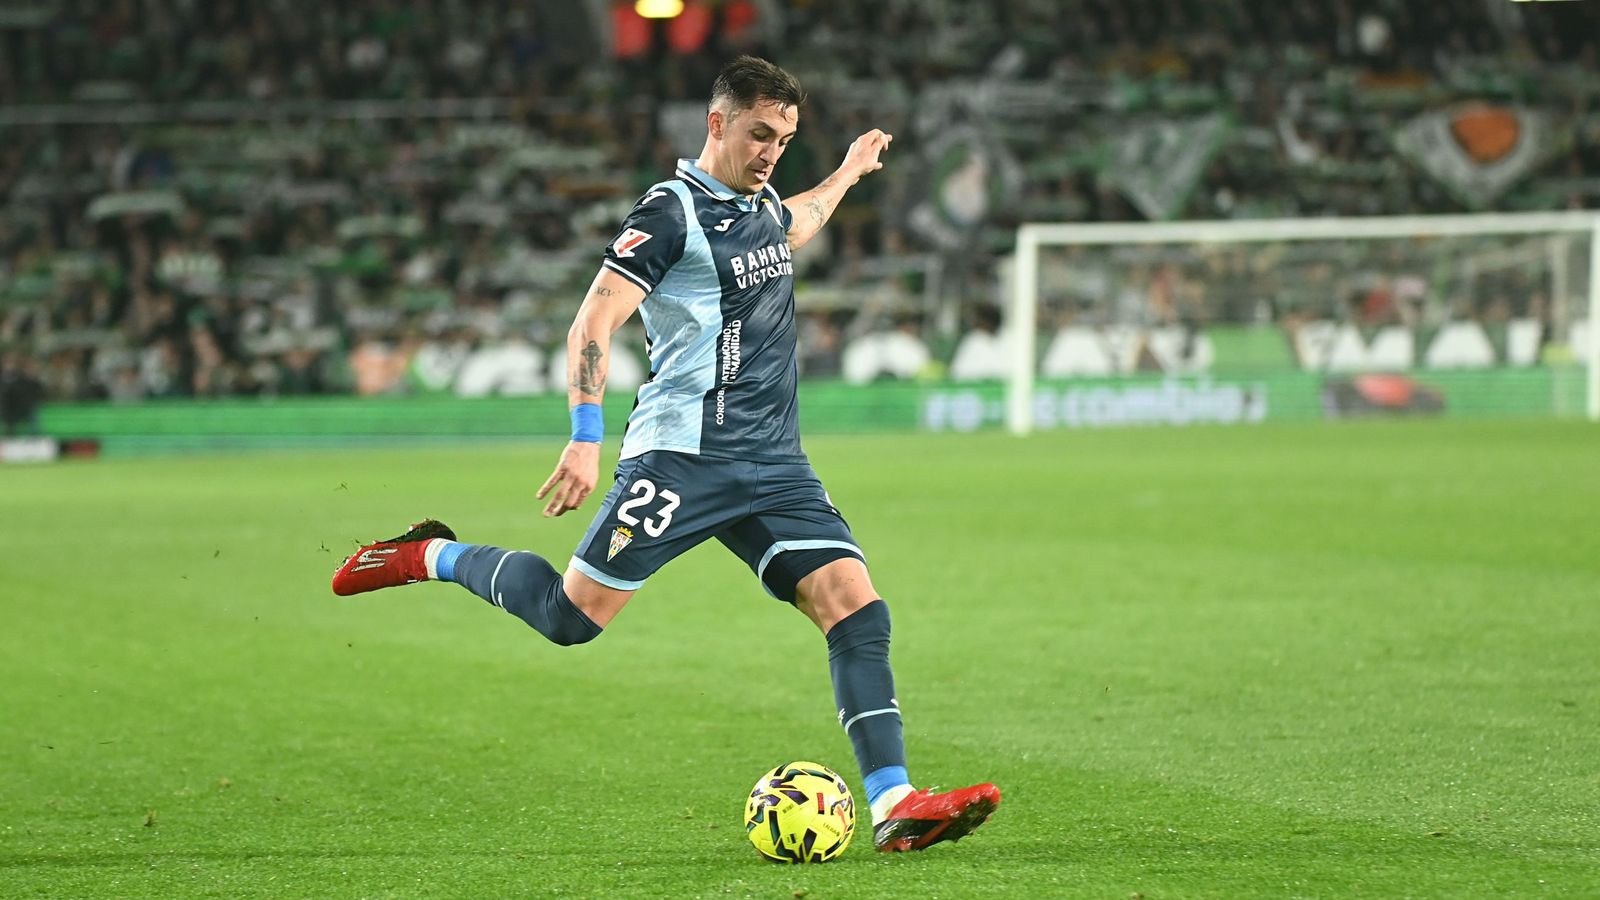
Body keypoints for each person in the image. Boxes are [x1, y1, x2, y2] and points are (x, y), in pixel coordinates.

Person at [332, 56, 999, 853]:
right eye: (758, 133)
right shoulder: (670, 213)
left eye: (783, 140)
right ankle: (426, 554)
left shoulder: (760, 207)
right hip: (681, 459)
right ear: (717, 124)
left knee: (855, 606)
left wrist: (850, 169)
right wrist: (585, 439)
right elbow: (591, 325)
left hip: (775, 463)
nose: (769, 152)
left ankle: (895, 801)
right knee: (569, 619)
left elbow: (800, 220)